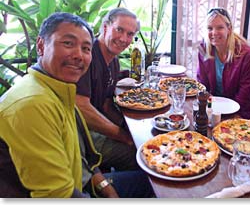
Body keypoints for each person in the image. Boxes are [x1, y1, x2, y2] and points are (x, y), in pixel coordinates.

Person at [0, 12, 154, 198]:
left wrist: (105, 186)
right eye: (68, 43)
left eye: (85, 48)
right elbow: (58, 196)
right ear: (41, 46)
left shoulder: (58, 91)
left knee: (150, 179)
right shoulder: (31, 106)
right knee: (147, 169)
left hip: (85, 183)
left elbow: (81, 156)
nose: (78, 55)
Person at [76, 8, 140, 172]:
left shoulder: (113, 61)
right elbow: (81, 108)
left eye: (130, 34)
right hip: (78, 133)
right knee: (138, 155)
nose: (124, 39)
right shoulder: (87, 55)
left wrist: (126, 127)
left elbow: (105, 105)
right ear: (105, 27)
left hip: (94, 126)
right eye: (119, 30)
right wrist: (123, 136)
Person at [197, 7, 250, 119]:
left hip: (239, 114)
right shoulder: (204, 48)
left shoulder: (247, 55)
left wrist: (225, 117)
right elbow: (202, 85)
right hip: (212, 110)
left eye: (220, 27)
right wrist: (209, 109)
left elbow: (245, 97)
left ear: (229, 29)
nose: (214, 33)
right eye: (210, 28)